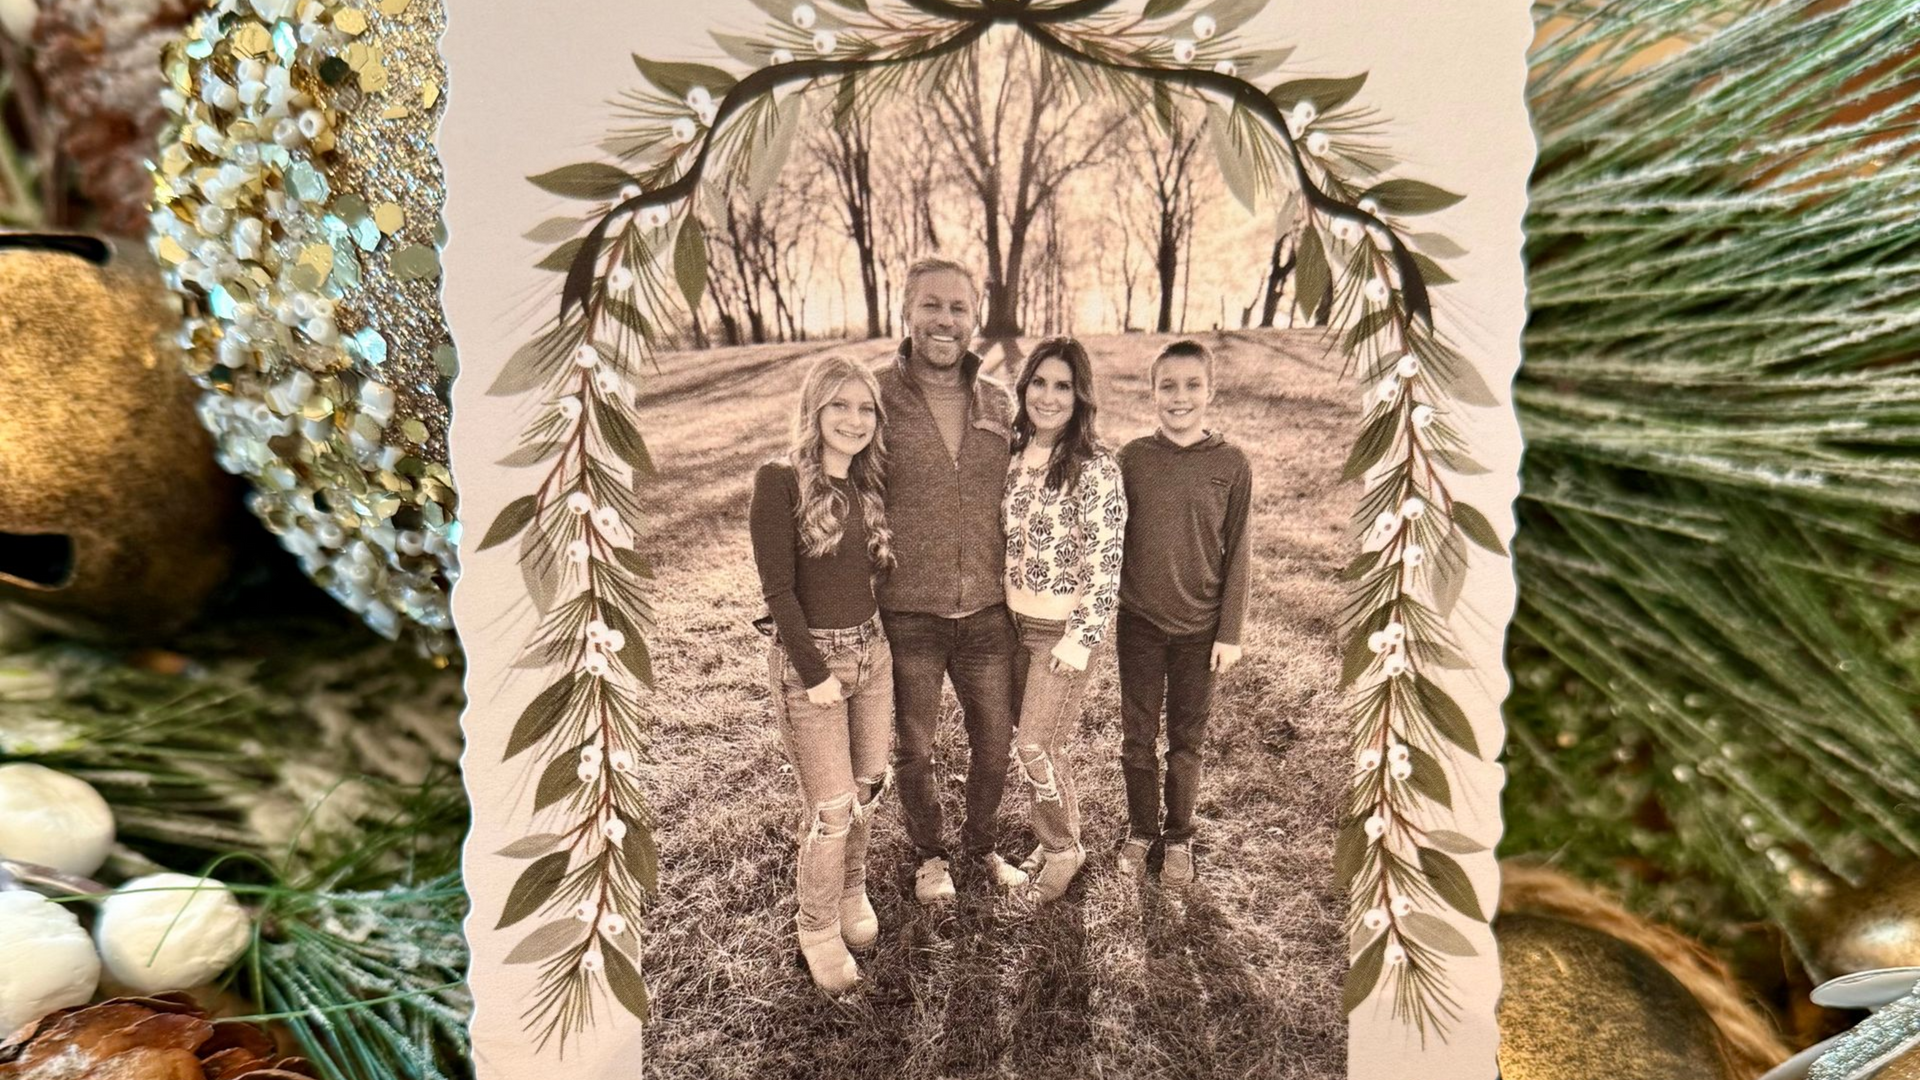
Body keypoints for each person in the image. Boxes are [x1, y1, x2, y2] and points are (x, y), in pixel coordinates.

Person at [876, 257, 1029, 904]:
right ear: (906, 311)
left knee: (994, 743)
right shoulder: (874, 397)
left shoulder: (1000, 401)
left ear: (975, 317)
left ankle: (981, 845)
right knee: (915, 746)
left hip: (989, 612)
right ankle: (930, 854)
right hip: (908, 611)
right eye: (931, 305)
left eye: (958, 307)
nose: (945, 319)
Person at [749, 355, 895, 993]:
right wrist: (815, 675)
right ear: (814, 408)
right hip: (813, 666)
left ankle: (852, 890)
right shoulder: (779, 481)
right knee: (833, 810)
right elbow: (778, 592)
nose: (854, 419)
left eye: (865, 408)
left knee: (868, 788)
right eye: (840, 404)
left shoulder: (866, 484)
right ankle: (816, 928)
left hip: (874, 654)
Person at [1114, 339, 1253, 888]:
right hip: (1140, 623)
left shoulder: (1231, 464)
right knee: (1137, 735)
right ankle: (1140, 829)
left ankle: (1178, 835)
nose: (1180, 397)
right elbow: (1110, 538)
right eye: (1168, 385)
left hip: (1201, 629)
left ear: (1210, 391)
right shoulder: (1132, 459)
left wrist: (1229, 631)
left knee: (1186, 741)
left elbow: (1239, 550)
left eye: (1193, 385)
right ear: (1152, 392)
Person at [1001, 337, 1127, 902]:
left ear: (1080, 397)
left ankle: (1061, 850)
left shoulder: (1095, 468)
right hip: (1011, 626)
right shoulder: (1012, 457)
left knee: (1035, 745)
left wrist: (1081, 639)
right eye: (1039, 383)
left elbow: (1107, 562)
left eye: (1063, 386)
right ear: (1024, 386)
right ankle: (1057, 830)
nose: (1048, 397)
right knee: (1040, 743)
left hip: (1063, 635)